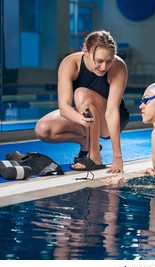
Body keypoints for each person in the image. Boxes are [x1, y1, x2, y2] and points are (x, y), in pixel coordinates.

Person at [35, 30, 129, 173]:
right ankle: (87, 143)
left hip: (110, 120)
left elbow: (112, 111)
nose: (104, 67)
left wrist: (117, 157)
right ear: (85, 51)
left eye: (109, 61)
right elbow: (64, 107)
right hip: (86, 115)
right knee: (43, 129)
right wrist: (81, 119)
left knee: (80, 93)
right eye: (99, 61)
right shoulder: (70, 64)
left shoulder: (118, 67)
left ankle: (94, 156)